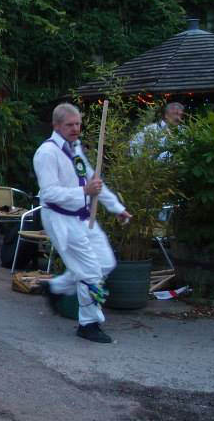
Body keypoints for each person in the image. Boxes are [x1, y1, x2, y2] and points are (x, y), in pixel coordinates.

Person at [35, 103, 132, 343]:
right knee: (89, 271)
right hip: (60, 219)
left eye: (78, 123)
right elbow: (48, 194)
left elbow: (93, 181)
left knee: (106, 263)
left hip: (82, 216)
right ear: (56, 125)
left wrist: (116, 208)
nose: (75, 128)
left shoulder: (74, 148)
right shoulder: (46, 153)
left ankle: (56, 287)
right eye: (69, 124)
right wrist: (83, 192)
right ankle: (88, 323)